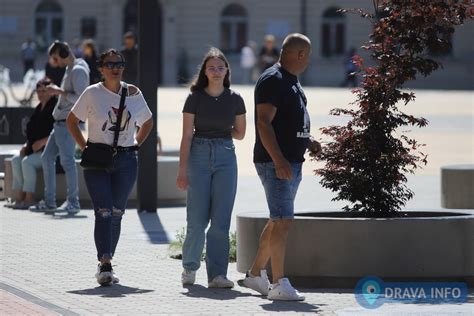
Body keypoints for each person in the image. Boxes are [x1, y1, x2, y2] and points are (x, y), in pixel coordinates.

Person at [241, 33, 321, 301]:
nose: (309, 61)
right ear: (299, 55)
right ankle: (278, 283)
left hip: (290, 161)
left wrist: (306, 140)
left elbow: (286, 120)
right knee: (284, 221)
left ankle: (254, 275)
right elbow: (263, 122)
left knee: (277, 220)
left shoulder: (290, 80)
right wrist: (278, 160)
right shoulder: (272, 79)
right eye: (307, 55)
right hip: (275, 163)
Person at [67, 48, 153, 286]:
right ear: (101, 69)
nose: (115, 68)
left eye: (119, 64)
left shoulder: (133, 92)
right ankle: (105, 263)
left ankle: (107, 259)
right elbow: (72, 121)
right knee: (103, 211)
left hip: (126, 160)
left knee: (116, 213)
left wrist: (136, 143)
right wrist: (84, 146)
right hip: (97, 159)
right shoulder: (92, 93)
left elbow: (147, 121)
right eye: (110, 64)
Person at [176, 47, 246, 288]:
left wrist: (221, 133)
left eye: (220, 67)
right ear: (204, 71)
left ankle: (217, 275)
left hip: (226, 157)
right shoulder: (194, 98)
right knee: (196, 218)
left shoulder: (235, 99)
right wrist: (182, 170)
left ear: (227, 70)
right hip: (198, 155)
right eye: (211, 68)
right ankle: (189, 267)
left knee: (221, 220)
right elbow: (186, 136)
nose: (216, 72)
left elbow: (241, 134)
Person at [29, 41, 90, 214]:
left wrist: (59, 92)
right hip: (60, 123)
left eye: (55, 58)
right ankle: (50, 201)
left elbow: (81, 98)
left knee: (68, 162)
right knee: (47, 158)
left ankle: (73, 202)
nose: (55, 62)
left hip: (68, 123)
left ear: (63, 54)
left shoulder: (78, 70)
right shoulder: (71, 69)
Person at [7, 78, 55, 209]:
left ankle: (29, 199)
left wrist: (42, 142)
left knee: (26, 162)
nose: (41, 94)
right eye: (38, 91)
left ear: (51, 92)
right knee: (16, 159)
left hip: (50, 152)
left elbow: (57, 131)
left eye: (44, 91)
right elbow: (33, 132)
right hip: (35, 150)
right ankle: (19, 198)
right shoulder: (38, 108)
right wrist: (27, 145)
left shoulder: (55, 108)